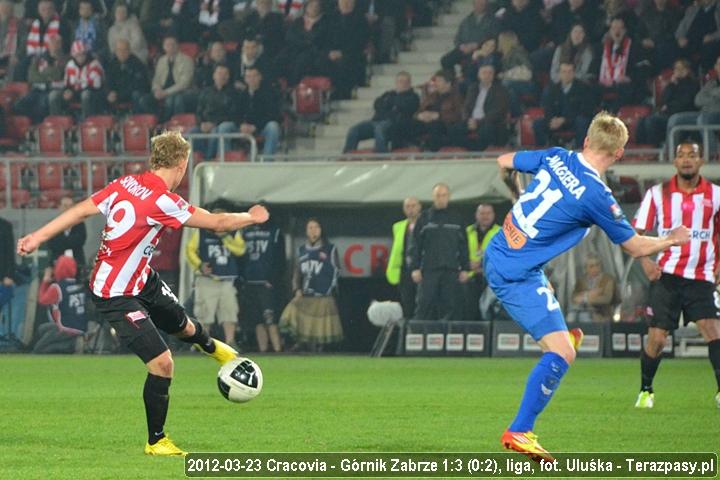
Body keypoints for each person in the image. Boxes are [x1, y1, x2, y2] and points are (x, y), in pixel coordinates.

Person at [16, 130, 270, 456]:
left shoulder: (124, 184)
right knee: (163, 363)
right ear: (181, 164)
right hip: (114, 292)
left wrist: (37, 236)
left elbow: (80, 210)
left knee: (185, 327)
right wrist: (250, 217)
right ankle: (156, 441)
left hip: (142, 279)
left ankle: (212, 348)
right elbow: (218, 223)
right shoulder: (163, 200)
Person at [484, 112, 690, 461]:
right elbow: (636, 247)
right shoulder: (598, 196)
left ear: (585, 141)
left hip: (502, 251)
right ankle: (519, 431)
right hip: (515, 273)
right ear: (619, 153)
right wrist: (671, 239)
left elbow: (504, 162)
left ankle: (560, 338)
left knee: (561, 344)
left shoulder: (555, 156)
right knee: (563, 353)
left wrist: (516, 192)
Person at [632, 141, 720, 410]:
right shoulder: (658, 194)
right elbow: (637, 233)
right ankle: (646, 389)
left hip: (702, 277)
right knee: (657, 339)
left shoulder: (716, 195)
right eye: (681, 156)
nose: (686, 160)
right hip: (667, 276)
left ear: (701, 161)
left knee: (714, 331)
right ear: (674, 162)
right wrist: (646, 261)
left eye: (692, 156)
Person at [186, 207, 246, 350]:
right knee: (204, 314)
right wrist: (200, 265)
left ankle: (230, 342)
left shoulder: (233, 232)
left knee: (229, 312)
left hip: (226, 280)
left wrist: (225, 237)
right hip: (207, 280)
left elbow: (240, 250)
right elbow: (189, 250)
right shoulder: (201, 232)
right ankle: (201, 343)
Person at [409, 183, 470, 321]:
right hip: (429, 270)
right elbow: (415, 245)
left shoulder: (457, 218)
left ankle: (447, 339)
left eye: (444, 195)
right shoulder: (424, 218)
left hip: (451, 269)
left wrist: (465, 268)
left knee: (450, 307)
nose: (441, 199)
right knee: (424, 305)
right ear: (433, 197)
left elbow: (463, 246)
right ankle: (418, 338)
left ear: (448, 197)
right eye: (438, 195)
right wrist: (414, 268)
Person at [280, 218, 343, 352]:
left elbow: (336, 271)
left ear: (321, 230)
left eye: (316, 227)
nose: (313, 231)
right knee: (293, 313)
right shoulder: (302, 250)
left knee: (320, 327)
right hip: (306, 294)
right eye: (310, 228)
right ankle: (301, 343)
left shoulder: (330, 249)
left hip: (323, 295)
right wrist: (297, 289)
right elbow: (297, 273)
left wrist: (328, 289)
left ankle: (320, 348)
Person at [241, 205, 285, 353]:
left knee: (270, 319)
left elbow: (280, 258)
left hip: (266, 283)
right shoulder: (245, 231)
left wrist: (274, 279)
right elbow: (240, 256)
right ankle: (263, 351)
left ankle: (278, 351)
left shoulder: (275, 231)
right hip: (250, 282)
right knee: (257, 321)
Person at [343, 71, 420, 153]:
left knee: (380, 129)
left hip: (395, 123)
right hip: (376, 120)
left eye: (405, 82)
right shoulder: (388, 94)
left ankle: (381, 156)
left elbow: (404, 107)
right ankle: (347, 156)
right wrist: (392, 105)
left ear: (409, 83)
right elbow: (377, 104)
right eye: (400, 81)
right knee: (354, 130)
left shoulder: (413, 96)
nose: (403, 84)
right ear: (396, 83)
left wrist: (389, 104)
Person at [449, 63, 510, 151]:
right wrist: (468, 120)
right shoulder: (472, 88)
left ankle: (477, 150)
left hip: (489, 122)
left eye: (490, 73)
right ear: (479, 75)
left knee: (487, 129)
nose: (487, 75)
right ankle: (472, 149)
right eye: (484, 73)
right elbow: (466, 107)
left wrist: (478, 122)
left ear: (493, 75)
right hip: (472, 120)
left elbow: (498, 112)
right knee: (454, 129)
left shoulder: (500, 90)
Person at [534, 62, 595, 148]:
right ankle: (542, 152)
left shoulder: (583, 88)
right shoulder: (552, 89)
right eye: (564, 72)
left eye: (569, 72)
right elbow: (547, 107)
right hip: (556, 122)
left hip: (573, 121)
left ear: (574, 73)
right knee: (538, 124)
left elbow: (585, 110)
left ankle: (580, 150)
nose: (567, 74)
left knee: (581, 122)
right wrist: (552, 119)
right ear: (560, 74)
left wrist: (565, 119)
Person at [33, 256, 87, 354]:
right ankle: (74, 342)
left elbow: (42, 300)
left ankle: (72, 345)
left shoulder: (57, 287)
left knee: (39, 349)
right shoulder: (79, 285)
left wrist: (45, 281)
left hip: (66, 328)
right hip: (80, 327)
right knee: (42, 329)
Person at [139, 34, 194, 120]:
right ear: (164, 47)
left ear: (177, 46)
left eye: (172, 44)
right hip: (162, 91)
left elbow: (184, 83)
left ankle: (171, 123)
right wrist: (157, 90)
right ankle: (158, 120)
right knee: (144, 100)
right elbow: (156, 79)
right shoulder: (161, 60)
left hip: (179, 91)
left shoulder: (187, 60)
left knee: (172, 100)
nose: (170, 47)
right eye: (167, 45)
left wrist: (166, 93)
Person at [190, 63, 238, 159]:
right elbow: (199, 111)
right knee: (193, 132)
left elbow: (233, 114)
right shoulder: (206, 92)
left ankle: (208, 159)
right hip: (205, 124)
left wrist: (214, 124)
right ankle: (198, 160)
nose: (222, 76)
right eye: (219, 73)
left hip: (221, 124)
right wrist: (202, 124)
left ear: (228, 76)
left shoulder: (234, 93)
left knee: (216, 131)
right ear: (214, 75)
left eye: (225, 74)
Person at [386, 196, 422, 319]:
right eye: (407, 206)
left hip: (421, 271)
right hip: (404, 271)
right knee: (407, 304)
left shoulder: (426, 225)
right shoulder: (398, 226)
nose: (410, 209)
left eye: (413, 206)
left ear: (419, 207)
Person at [49, 40, 104, 119]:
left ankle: (87, 123)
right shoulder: (70, 64)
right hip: (75, 92)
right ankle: (57, 123)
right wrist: (67, 91)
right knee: (53, 95)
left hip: (92, 93)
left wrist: (73, 91)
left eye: (83, 54)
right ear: (74, 56)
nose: (81, 57)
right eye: (78, 55)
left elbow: (95, 85)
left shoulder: (94, 64)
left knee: (85, 95)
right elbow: (67, 83)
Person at [440, 0, 499, 72]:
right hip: (463, 49)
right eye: (478, 2)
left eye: (482, 3)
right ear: (474, 4)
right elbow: (457, 38)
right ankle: (450, 79)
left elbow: (492, 37)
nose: (480, 4)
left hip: (480, 50)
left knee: (469, 63)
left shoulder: (492, 20)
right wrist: (461, 46)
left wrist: (477, 45)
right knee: (445, 60)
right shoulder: (466, 21)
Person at [465, 203, 500, 320]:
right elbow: (459, 252)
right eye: (482, 213)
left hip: (490, 279)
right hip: (469, 278)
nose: (485, 216)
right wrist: (467, 264)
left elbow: (502, 256)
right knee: (469, 311)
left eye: (488, 213)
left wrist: (481, 264)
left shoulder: (501, 232)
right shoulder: (467, 231)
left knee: (487, 310)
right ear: (476, 215)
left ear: (494, 215)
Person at [237, 66, 282, 156]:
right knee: (225, 127)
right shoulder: (240, 95)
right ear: (245, 79)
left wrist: (256, 126)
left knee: (273, 127)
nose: (252, 79)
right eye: (249, 76)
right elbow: (234, 113)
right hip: (243, 127)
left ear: (260, 77)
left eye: (254, 76)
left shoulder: (270, 93)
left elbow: (274, 115)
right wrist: (241, 124)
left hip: (262, 127)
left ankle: (267, 161)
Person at [566, 254, 617, 323]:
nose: (595, 268)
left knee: (585, 318)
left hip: (602, 314)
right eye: (591, 266)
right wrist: (589, 294)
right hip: (582, 311)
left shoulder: (607, 280)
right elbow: (574, 298)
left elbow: (606, 299)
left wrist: (585, 298)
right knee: (570, 317)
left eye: (597, 265)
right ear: (586, 268)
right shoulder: (581, 280)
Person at [105, 38, 150, 114]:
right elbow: (108, 81)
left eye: (125, 50)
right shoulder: (111, 64)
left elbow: (139, 85)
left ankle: (136, 119)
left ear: (129, 51)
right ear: (115, 51)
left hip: (131, 94)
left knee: (136, 95)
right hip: (117, 94)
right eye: (119, 50)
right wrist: (109, 92)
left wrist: (119, 94)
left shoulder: (137, 64)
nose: (122, 53)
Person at [47, 195, 87, 268]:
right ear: (60, 207)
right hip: (57, 262)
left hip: (77, 262)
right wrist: (71, 241)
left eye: (70, 206)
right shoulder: (53, 224)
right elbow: (51, 244)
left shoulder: (80, 224)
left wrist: (61, 242)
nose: (68, 208)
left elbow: (81, 241)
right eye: (65, 206)